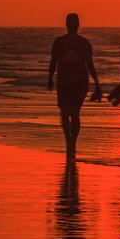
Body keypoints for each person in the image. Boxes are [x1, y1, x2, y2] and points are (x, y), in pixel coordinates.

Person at [48, 13, 101, 157]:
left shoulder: (60, 42)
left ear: (67, 24)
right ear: (78, 25)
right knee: (75, 113)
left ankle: (69, 141)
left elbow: (54, 62)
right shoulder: (83, 43)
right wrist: (97, 83)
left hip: (67, 82)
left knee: (66, 113)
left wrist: (50, 78)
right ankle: (72, 143)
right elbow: (89, 65)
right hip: (78, 81)